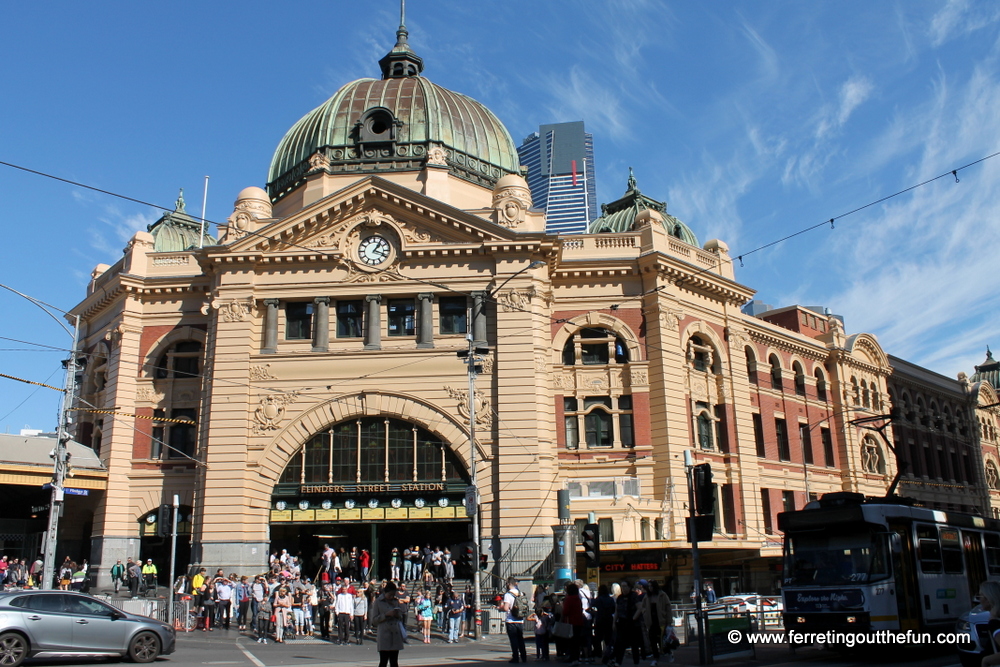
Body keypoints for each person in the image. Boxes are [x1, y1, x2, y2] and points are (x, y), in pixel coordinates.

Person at [371, 581, 406, 667]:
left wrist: (398, 614)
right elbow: (374, 620)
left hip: (395, 634)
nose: (391, 597)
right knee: (383, 661)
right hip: (385, 634)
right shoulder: (378, 602)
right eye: (390, 595)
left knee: (394, 662)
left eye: (393, 595)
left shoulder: (395, 601)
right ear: (385, 592)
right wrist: (386, 615)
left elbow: (401, 617)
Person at [638, 580, 672, 666]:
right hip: (651, 622)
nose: (650, 588)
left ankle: (668, 652)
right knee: (652, 641)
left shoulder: (662, 595)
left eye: (652, 586)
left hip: (661, 622)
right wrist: (645, 613)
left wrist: (668, 622)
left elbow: (668, 608)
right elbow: (643, 607)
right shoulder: (647, 596)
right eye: (649, 586)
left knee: (661, 641)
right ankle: (656, 658)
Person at [611, 581, 642, 667]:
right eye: (622, 586)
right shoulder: (620, 598)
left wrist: (633, 618)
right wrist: (614, 622)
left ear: (629, 587)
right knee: (620, 643)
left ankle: (636, 662)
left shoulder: (634, 596)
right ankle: (618, 661)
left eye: (625, 586)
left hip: (632, 623)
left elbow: (640, 608)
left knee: (634, 644)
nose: (623, 588)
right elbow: (617, 610)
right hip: (622, 622)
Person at [502, 576, 528, 664]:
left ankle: (515, 657)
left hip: (511, 620)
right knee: (520, 639)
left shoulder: (507, 595)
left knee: (513, 640)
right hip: (520, 620)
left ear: (509, 584)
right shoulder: (520, 593)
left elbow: (506, 608)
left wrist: (500, 607)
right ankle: (524, 657)